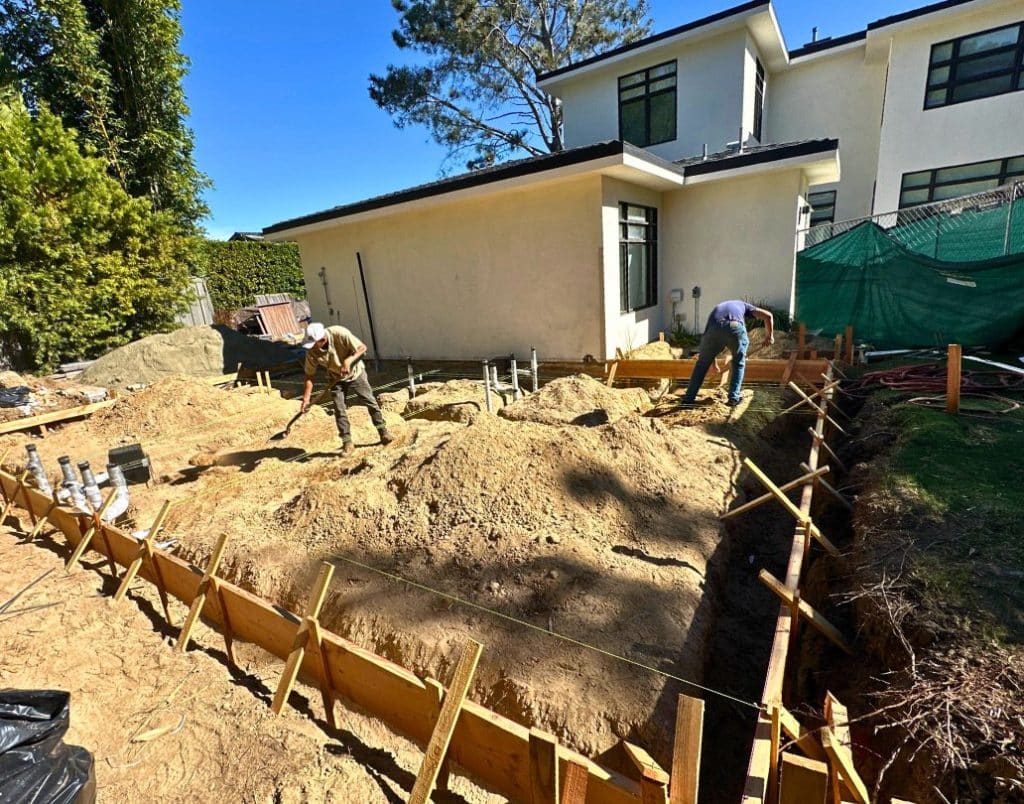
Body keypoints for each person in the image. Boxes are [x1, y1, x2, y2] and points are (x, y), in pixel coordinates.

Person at [300, 322, 394, 455]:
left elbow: (362, 348)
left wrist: (348, 361)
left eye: (314, 344)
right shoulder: (311, 353)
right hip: (335, 378)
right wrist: (306, 399)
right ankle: (347, 442)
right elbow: (309, 375)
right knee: (339, 410)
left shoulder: (339, 333)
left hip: (356, 373)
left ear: (322, 340)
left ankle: (383, 432)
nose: (312, 348)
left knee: (370, 402)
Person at [681, 300, 774, 407]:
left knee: (701, 365)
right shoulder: (745, 306)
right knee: (738, 363)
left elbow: (709, 341)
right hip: (734, 327)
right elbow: (768, 316)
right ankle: (733, 398)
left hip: (713, 330)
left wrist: (714, 364)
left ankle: (688, 399)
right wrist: (769, 336)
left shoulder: (718, 309)